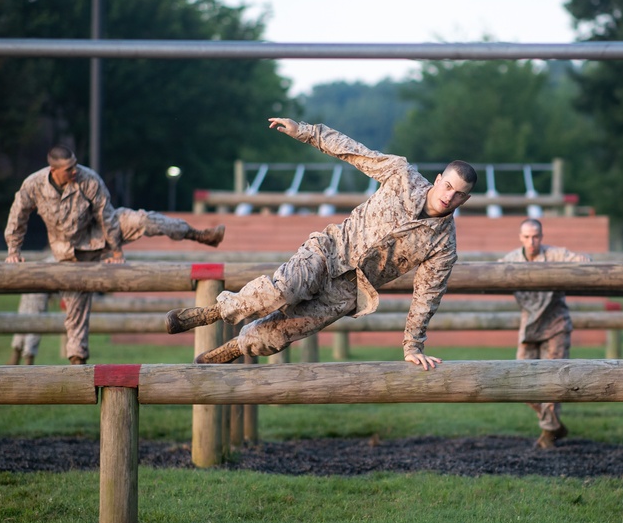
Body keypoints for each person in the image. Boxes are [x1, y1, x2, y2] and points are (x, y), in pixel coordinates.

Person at [165, 117, 477, 369]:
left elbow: (427, 295)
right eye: (447, 186)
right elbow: (354, 151)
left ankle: (230, 350)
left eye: (458, 194)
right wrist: (306, 132)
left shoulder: (444, 246)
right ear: (438, 179)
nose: (449, 196)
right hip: (329, 250)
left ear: (466, 198)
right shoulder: (401, 175)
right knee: (280, 289)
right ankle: (212, 313)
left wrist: (413, 345)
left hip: (349, 290)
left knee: (277, 335)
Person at [4, 144, 226, 365]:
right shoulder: (33, 184)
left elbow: (106, 215)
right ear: (54, 170)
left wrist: (116, 251)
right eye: (69, 168)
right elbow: (18, 215)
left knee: (144, 219)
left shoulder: (88, 178)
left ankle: (196, 234)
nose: (74, 171)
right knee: (75, 311)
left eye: (75, 165)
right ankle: (77, 363)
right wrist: (14, 251)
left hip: (101, 233)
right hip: (70, 253)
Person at [499, 218, 590, 448]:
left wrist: (582, 260)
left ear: (542, 236)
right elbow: (493, 269)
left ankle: (549, 435)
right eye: (527, 237)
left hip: (556, 326)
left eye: (536, 236)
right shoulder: (512, 260)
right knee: (519, 382)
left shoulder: (555, 255)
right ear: (520, 238)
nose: (532, 241)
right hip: (529, 328)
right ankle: (555, 425)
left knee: (554, 382)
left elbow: (581, 260)